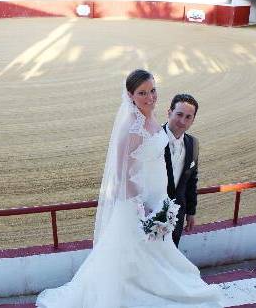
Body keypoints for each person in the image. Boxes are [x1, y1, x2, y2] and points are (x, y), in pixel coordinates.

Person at [36, 69, 222, 308]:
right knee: (134, 257)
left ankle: (155, 288)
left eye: (153, 90)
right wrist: (143, 209)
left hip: (159, 198)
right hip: (140, 205)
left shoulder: (152, 120)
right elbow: (124, 176)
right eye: (142, 93)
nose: (150, 97)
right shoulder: (131, 128)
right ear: (130, 95)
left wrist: (164, 203)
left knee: (155, 258)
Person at [163, 94, 200, 247]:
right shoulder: (152, 139)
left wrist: (191, 212)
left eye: (188, 117)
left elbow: (192, 180)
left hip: (177, 215)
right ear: (169, 112)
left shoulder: (193, 144)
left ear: (193, 119)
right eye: (179, 114)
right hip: (151, 213)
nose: (182, 121)